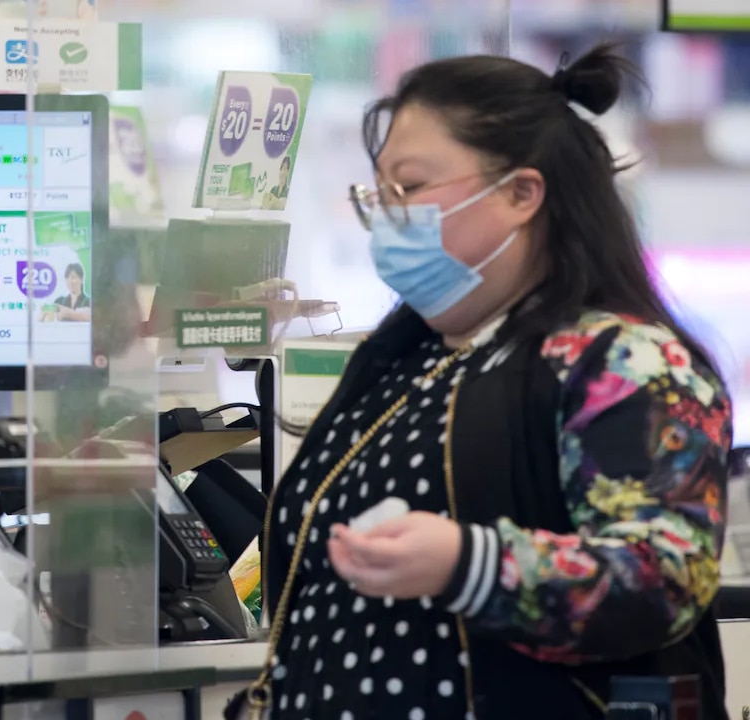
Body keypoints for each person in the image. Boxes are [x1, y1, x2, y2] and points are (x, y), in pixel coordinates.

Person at [243, 45, 731, 720]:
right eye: (376, 195)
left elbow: (667, 576)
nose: (387, 216)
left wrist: (470, 562)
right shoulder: (407, 361)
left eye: (408, 190)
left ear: (522, 193)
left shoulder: (622, 363)